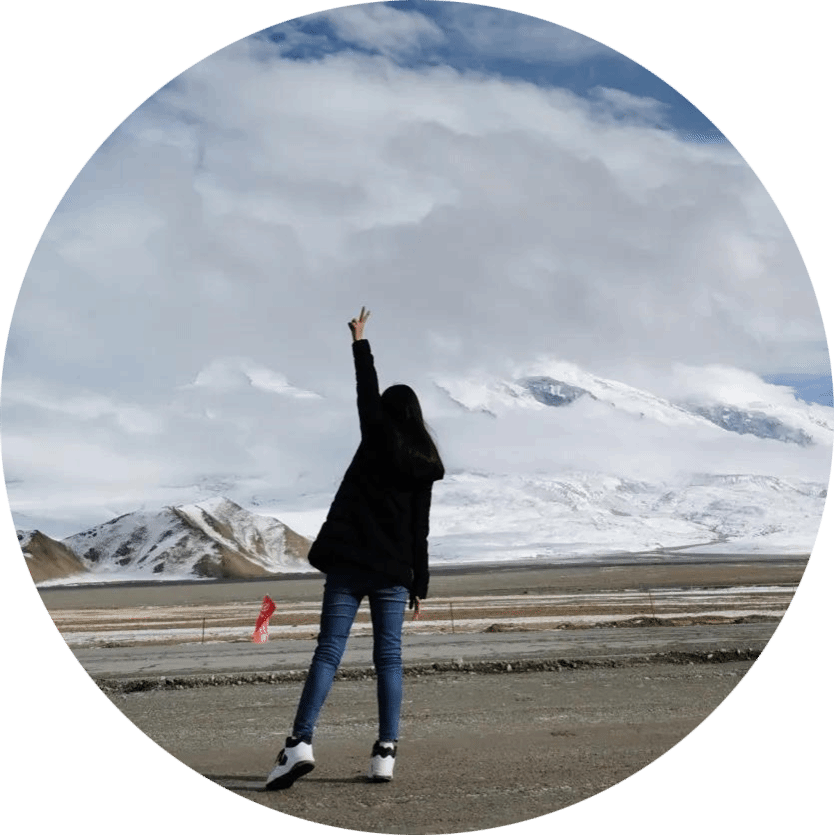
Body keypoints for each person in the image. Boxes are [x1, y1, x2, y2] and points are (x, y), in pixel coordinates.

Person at [266, 307, 445, 790]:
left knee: (328, 652)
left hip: (349, 566)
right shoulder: (424, 465)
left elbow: (366, 391)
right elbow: (420, 530)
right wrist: (420, 584)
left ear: (386, 414)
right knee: (389, 659)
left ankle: (299, 744)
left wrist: (360, 342)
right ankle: (385, 752)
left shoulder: (376, 438)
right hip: (394, 573)